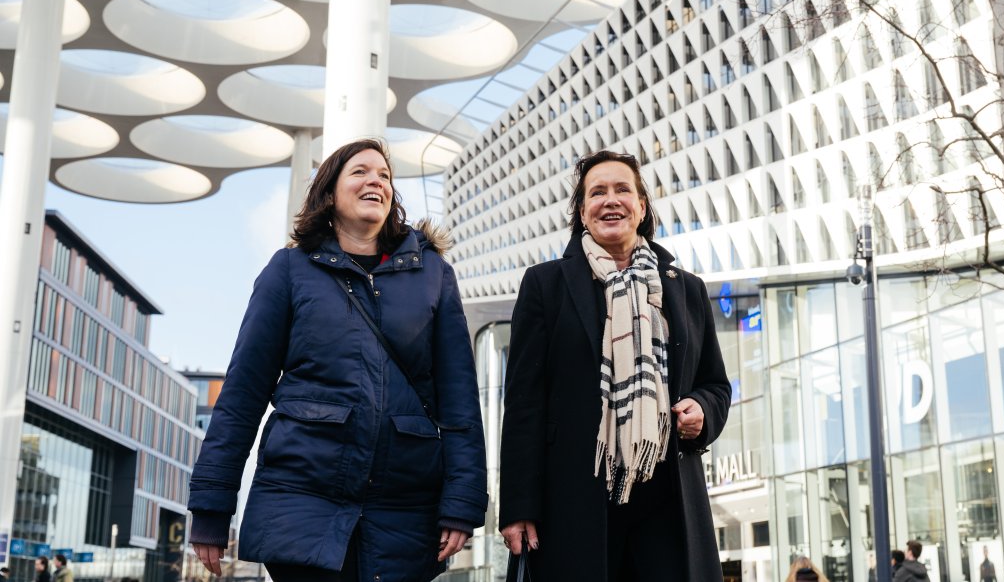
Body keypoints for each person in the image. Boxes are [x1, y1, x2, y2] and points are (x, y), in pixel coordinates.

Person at [188, 138, 487, 582]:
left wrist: (462, 503)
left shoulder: (434, 275)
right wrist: (212, 505)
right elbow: (243, 394)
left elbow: (460, 398)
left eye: (385, 175)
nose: (376, 181)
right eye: (361, 172)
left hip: (404, 508)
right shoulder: (289, 270)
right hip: (301, 499)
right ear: (330, 191)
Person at [499, 150, 732, 582]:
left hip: (668, 496)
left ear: (642, 207)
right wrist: (518, 506)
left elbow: (715, 384)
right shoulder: (545, 285)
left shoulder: (686, 290)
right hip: (576, 495)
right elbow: (524, 404)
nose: (611, 200)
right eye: (597, 192)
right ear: (582, 211)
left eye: (623, 189)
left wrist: (703, 410)